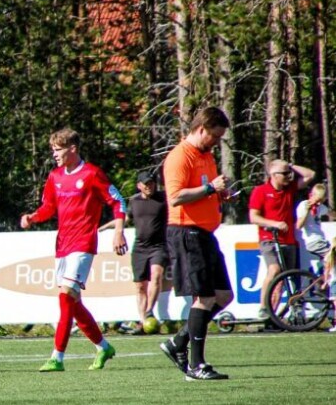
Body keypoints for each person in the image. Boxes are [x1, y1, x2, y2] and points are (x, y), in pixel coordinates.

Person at [20, 128, 128, 372]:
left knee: (65, 296)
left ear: (73, 149)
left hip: (83, 244)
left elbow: (118, 200)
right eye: (53, 150)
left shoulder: (91, 174)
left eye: (58, 149)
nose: (54, 154)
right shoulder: (55, 176)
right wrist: (32, 218)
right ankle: (103, 347)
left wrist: (118, 231)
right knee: (73, 303)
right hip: (63, 245)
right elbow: (48, 207)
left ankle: (57, 357)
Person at [158, 106, 233, 381]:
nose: (215, 141)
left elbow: (204, 191)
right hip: (186, 232)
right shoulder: (180, 156)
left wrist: (219, 196)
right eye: (213, 136)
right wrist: (211, 188)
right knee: (204, 298)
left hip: (205, 233)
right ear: (201, 129)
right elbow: (175, 197)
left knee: (223, 296)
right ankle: (196, 366)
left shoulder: (206, 156)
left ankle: (178, 342)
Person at [248, 159, 315, 320]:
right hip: (269, 239)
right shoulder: (261, 191)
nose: (288, 176)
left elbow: (310, 175)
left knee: (283, 281)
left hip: (289, 241)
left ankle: (272, 316)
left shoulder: (289, 189)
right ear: (273, 175)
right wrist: (275, 224)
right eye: (284, 173)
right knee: (274, 270)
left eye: (289, 173)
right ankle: (264, 307)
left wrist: (290, 165)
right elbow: (254, 217)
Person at [128, 170, 169, 331]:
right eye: (146, 184)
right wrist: (106, 228)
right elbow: (124, 219)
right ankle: (143, 320)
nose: (149, 186)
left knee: (156, 276)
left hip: (159, 246)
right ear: (139, 186)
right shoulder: (134, 201)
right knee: (140, 286)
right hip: (139, 248)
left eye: (151, 183)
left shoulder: (163, 198)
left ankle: (149, 311)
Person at [295, 183, 332, 271]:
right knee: (332, 256)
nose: (319, 203)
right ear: (312, 195)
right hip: (313, 241)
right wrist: (307, 211)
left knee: (329, 261)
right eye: (318, 200)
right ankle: (326, 279)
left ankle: (322, 277)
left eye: (321, 201)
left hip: (320, 239)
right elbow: (299, 225)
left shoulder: (321, 207)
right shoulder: (303, 205)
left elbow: (330, 213)